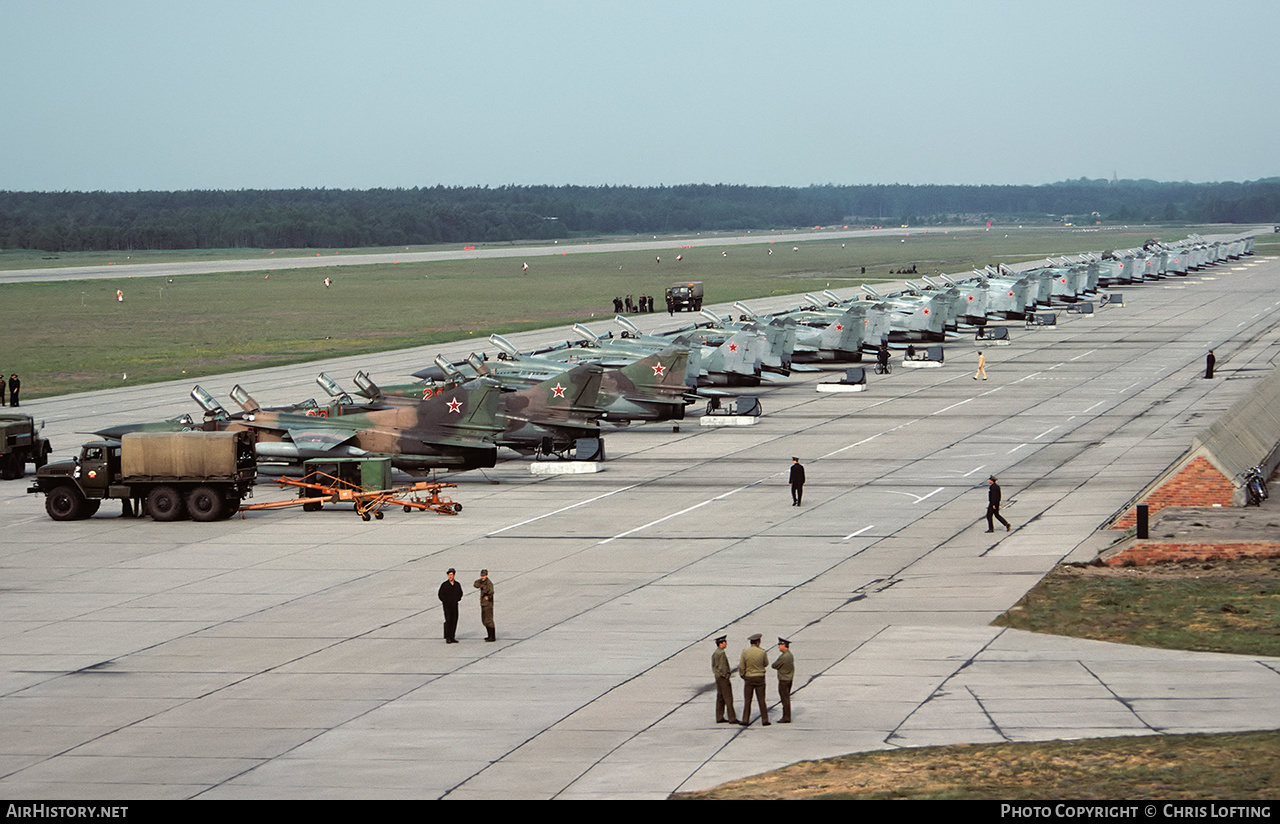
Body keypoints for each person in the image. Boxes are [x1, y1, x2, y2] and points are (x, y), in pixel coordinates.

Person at [739, 634, 770, 726]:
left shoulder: (745, 652)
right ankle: (765, 719)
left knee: (748, 700)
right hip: (760, 677)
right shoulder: (762, 652)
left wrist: (743, 675)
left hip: (749, 677)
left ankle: (745, 719)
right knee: (761, 700)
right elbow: (766, 663)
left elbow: (741, 666)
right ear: (758, 643)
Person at [711, 635, 738, 724]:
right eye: (724, 642)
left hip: (718, 677)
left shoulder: (715, 653)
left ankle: (719, 716)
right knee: (728, 698)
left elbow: (714, 666)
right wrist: (726, 675)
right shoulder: (721, 653)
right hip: (723, 678)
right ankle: (732, 718)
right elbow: (723, 666)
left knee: (720, 697)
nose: (726, 644)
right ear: (721, 644)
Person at [772, 638, 794, 723]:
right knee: (786, 698)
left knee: (785, 699)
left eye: (780, 645)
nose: (778, 647)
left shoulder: (783, 657)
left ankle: (786, 717)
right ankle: (786, 716)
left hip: (783, 680)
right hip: (789, 678)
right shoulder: (790, 655)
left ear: (784, 645)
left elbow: (774, 665)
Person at [438, 568, 462, 643]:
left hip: (454, 605)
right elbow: (440, 594)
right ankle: (447, 637)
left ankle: (452, 636)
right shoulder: (444, 585)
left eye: (451, 575)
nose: (450, 576)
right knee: (448, 620)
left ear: (454, 575)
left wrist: (457, 599)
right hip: (447, 606)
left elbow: (460, 593)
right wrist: (445, 601)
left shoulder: (457, 584)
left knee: (454, 620)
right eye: (449, 575)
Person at [473, 569, 495, 642]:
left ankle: (492, 636)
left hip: (488, 604)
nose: (482, 577)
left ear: (487, 575)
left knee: (488, 619)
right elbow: (475, 584)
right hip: (483, 604)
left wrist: (487, 596)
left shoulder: (489, 583)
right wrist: (481, 584)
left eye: (484, 575)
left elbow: (491, 591)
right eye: (482, 576)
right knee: (484, 620)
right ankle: (489, 635)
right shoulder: (482, 582)